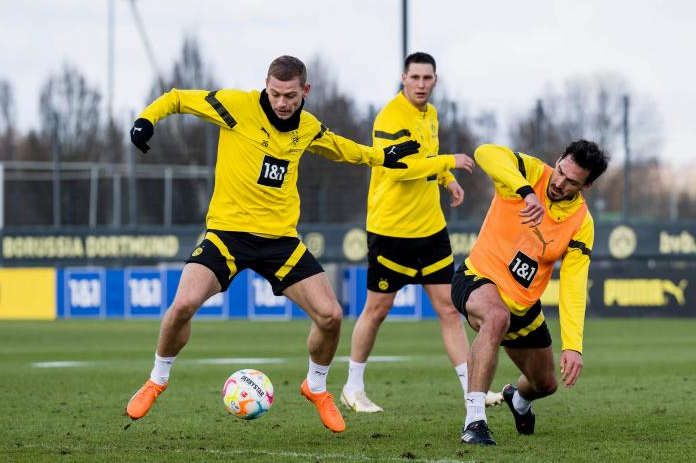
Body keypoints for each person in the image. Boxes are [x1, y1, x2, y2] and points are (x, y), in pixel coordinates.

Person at [124, 55, 420, 433]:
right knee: (182, 304)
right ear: (266, 86)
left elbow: (340, 147)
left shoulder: (307, 127)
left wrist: (382, 156)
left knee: (331, 316)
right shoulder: (236, 106)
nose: (281, 102)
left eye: (290, 96)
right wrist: (147, 119)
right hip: (227, 235)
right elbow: (178, 98)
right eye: (275, 93)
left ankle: (316, 387)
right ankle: (157, 379)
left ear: (305, 91)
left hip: (281, 241)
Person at [340, 52, 502, 413]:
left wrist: (446, 178)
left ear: (435, 80)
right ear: (403, 78)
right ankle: (352, 387)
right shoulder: (390, 117)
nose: (421, 84)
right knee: (377, 309)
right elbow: (397, 168)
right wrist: (448, 162)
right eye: (414, 77)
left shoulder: (430, 115)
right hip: (392, 231)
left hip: (431, 229)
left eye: (427, 78)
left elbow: (427, 154)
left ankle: (472, 391)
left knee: (449, 310)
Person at [452, 141, 609, 445]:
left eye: (572, 181)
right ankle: (475, 421)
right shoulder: (529, 171)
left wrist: (573, 346)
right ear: (558, 159)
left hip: (523, 308)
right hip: (476, 278)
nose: (559, 182)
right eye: (560, 171)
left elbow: (574, 285)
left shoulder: (581, 222)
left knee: (545, 384)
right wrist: (526, 192)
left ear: (586, 186)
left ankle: (518, 400)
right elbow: (484, 153)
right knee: (496, 316)